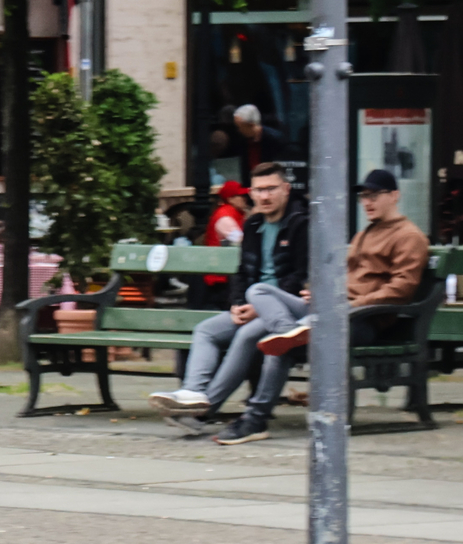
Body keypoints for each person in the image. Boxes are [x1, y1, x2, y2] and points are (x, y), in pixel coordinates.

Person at [192, 168, 434, 444]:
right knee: (258, 292)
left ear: (395, 196)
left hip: (359, 320)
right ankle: (287, 331)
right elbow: (340, 277)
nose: (367, 202)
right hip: (329, 311)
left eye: (375, 195)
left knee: (278, 344)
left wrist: (350, 303)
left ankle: (255, 418)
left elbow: (401, 289)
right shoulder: (365, 233)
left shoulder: (409, 236)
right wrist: (319, 293)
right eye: (364, 196)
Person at [149, 164, 306, 430]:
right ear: (251, 193)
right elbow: (242, 272)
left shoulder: (300, 223)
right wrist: (236, 304)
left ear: (286, 189)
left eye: (271, 189)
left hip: (284, 313)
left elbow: (301, 276)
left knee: (245, 336)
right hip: (251, 305)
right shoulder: (254, 224)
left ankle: (205, 408)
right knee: (206, 330)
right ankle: (192, 393)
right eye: (259, 190)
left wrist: (257, 307)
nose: (265, 196)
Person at [202, 179, 249, 248]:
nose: (245, 198)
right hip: (217, 257)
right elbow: (242, 241)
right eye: (241, 196)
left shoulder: (235, 212)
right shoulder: (225, 217)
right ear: (230, 199)